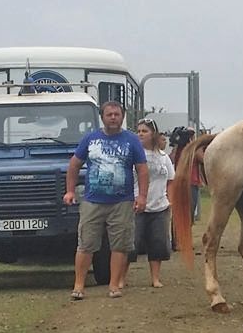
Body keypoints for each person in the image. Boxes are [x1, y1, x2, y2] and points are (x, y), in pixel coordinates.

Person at [64, 100, 149, 299]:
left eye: (117, 114)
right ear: (102, 117)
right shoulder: (90, 139)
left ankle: (114, 285)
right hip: (93, 201)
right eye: (109, 114)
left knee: (119, 245)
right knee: (86, 244)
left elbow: (142, 169)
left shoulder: (131, 140)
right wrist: (69, 191)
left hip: (122, 201)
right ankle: (79, 286)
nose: (113, 118)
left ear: (122, 116)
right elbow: (74, 165)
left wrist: (142, 196)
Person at [134, 119, 176, 288]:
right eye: (139, 131)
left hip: (159, 205)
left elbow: (171, 179)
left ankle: (155, 278)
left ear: (153, 134)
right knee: (131, 244)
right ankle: (121, 278)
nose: (141, 134)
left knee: (158, 243)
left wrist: (169, 199)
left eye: (144, 131)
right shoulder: (135, 155)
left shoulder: (164, 157)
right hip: (137, 205)